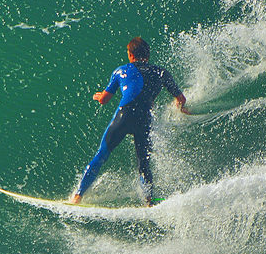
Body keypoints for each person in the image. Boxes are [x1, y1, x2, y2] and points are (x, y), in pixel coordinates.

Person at [70, 37, 188, 206]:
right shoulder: (161, 73)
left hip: (124, 117)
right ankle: (149, 201)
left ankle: (78, 197)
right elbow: (181, 98)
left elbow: (104, 99)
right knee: (143, 163)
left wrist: (98, 97)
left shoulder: (121, 71)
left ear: (131, 55)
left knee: (102, 154)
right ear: (147, 55)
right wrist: (181, 108)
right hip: (144, 120)